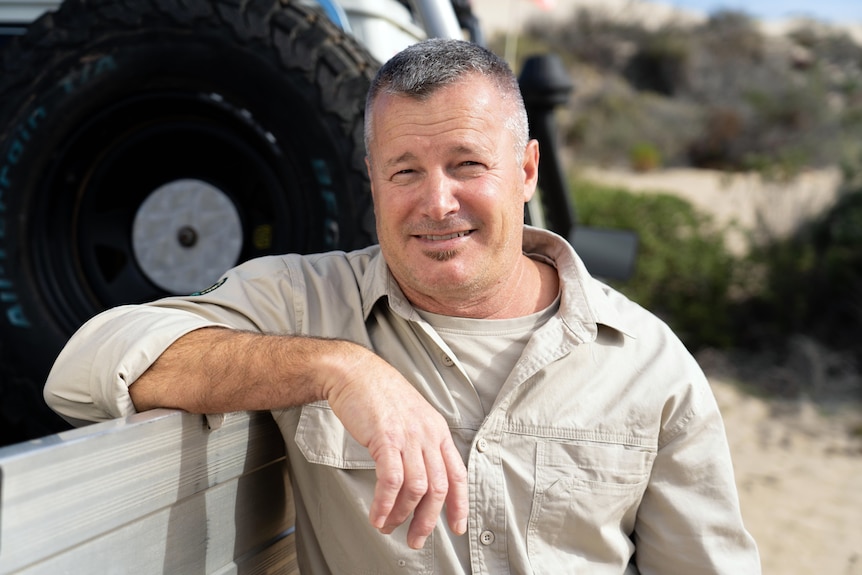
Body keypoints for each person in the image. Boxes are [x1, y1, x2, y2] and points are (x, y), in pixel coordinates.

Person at [44, 38, 760, 573]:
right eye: (405, 171)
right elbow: (87, 364)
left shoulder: (648, 362)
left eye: (467, 164)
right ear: (372, 180)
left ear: (527, 170)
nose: (436, 202)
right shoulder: (307, 301)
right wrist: (340, 368)